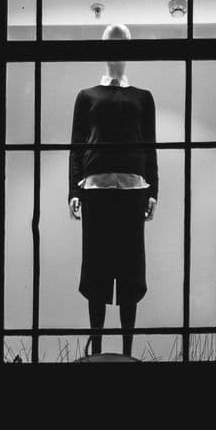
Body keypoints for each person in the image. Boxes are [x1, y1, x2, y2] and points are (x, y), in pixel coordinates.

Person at [68, 25, 158, 357]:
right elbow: (76, 146)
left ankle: (127, 351)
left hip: (133, 188)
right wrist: (73, 190)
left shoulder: (142, 97)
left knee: (130, 270)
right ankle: (97, 350)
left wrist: (154, 191)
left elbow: (150, 146)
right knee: (96, 268)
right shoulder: (87, 96)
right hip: (96, 188)